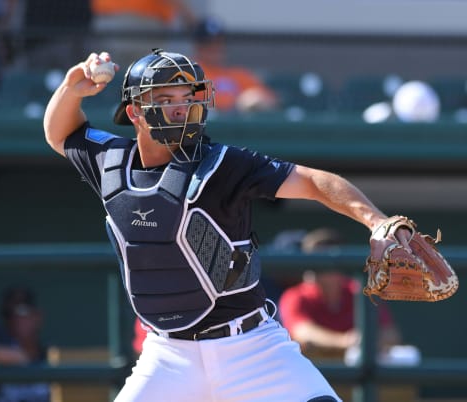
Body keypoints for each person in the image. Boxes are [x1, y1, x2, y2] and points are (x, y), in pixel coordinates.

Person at [43, 48, 412, 402]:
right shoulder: (111, 163)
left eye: (188, 97)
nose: (181, 108)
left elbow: (315, 182)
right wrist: (71, 88)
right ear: (136, 112)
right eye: (167, 98)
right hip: (168, 356)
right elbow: (59, 135)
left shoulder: (223, 164)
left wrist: (376, 220)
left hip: (251, 347)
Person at [278, 228, 401, 361]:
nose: (318, 269)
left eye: (325, 262)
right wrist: (346, 341)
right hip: (313, 370)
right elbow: (303, 334)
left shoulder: (358, 291)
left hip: (356, 371)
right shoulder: (295, 296)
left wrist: (366, 341)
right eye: (315, 261)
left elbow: (390, 334)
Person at [193, 17, 279, 114]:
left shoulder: (237, 74)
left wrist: (254, 100)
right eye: (209, 43)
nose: (215, 47)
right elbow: (194, 98)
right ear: (198, 46)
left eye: (219, 42)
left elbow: (271, 98)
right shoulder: (191, 72)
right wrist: (238, 103)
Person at [0, 286, 50, 402]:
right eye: (8, 314)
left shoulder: (51, 358)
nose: (15, 319)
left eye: (22, 311)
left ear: (37, 316)